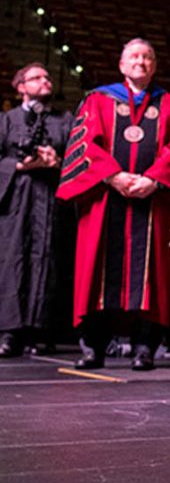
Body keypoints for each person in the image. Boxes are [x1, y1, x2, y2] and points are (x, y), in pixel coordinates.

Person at [57, 39, 170, 371]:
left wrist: (154, 180)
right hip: (105, 199)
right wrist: (113, 176)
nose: (140, 62)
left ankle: (144, 348)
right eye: (134, 56)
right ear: (121, 64)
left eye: (147, 57)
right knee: (96, 267)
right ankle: (93, 348)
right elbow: (85, 143)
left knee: (151, 273)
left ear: (155, 66)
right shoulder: (98, 100)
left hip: (151, 200)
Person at [0, 64, 72, 358]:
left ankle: (38, 330)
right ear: (20, 87)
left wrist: (56, 161)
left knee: (45, 261)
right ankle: (8, 332)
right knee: (12, 260)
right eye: (37, 78)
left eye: (48, 77)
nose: (46, 81)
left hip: (49, 201)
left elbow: (77, 159)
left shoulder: (65, 120)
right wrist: (18, 165)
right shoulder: (6, 121)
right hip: (15, 202)